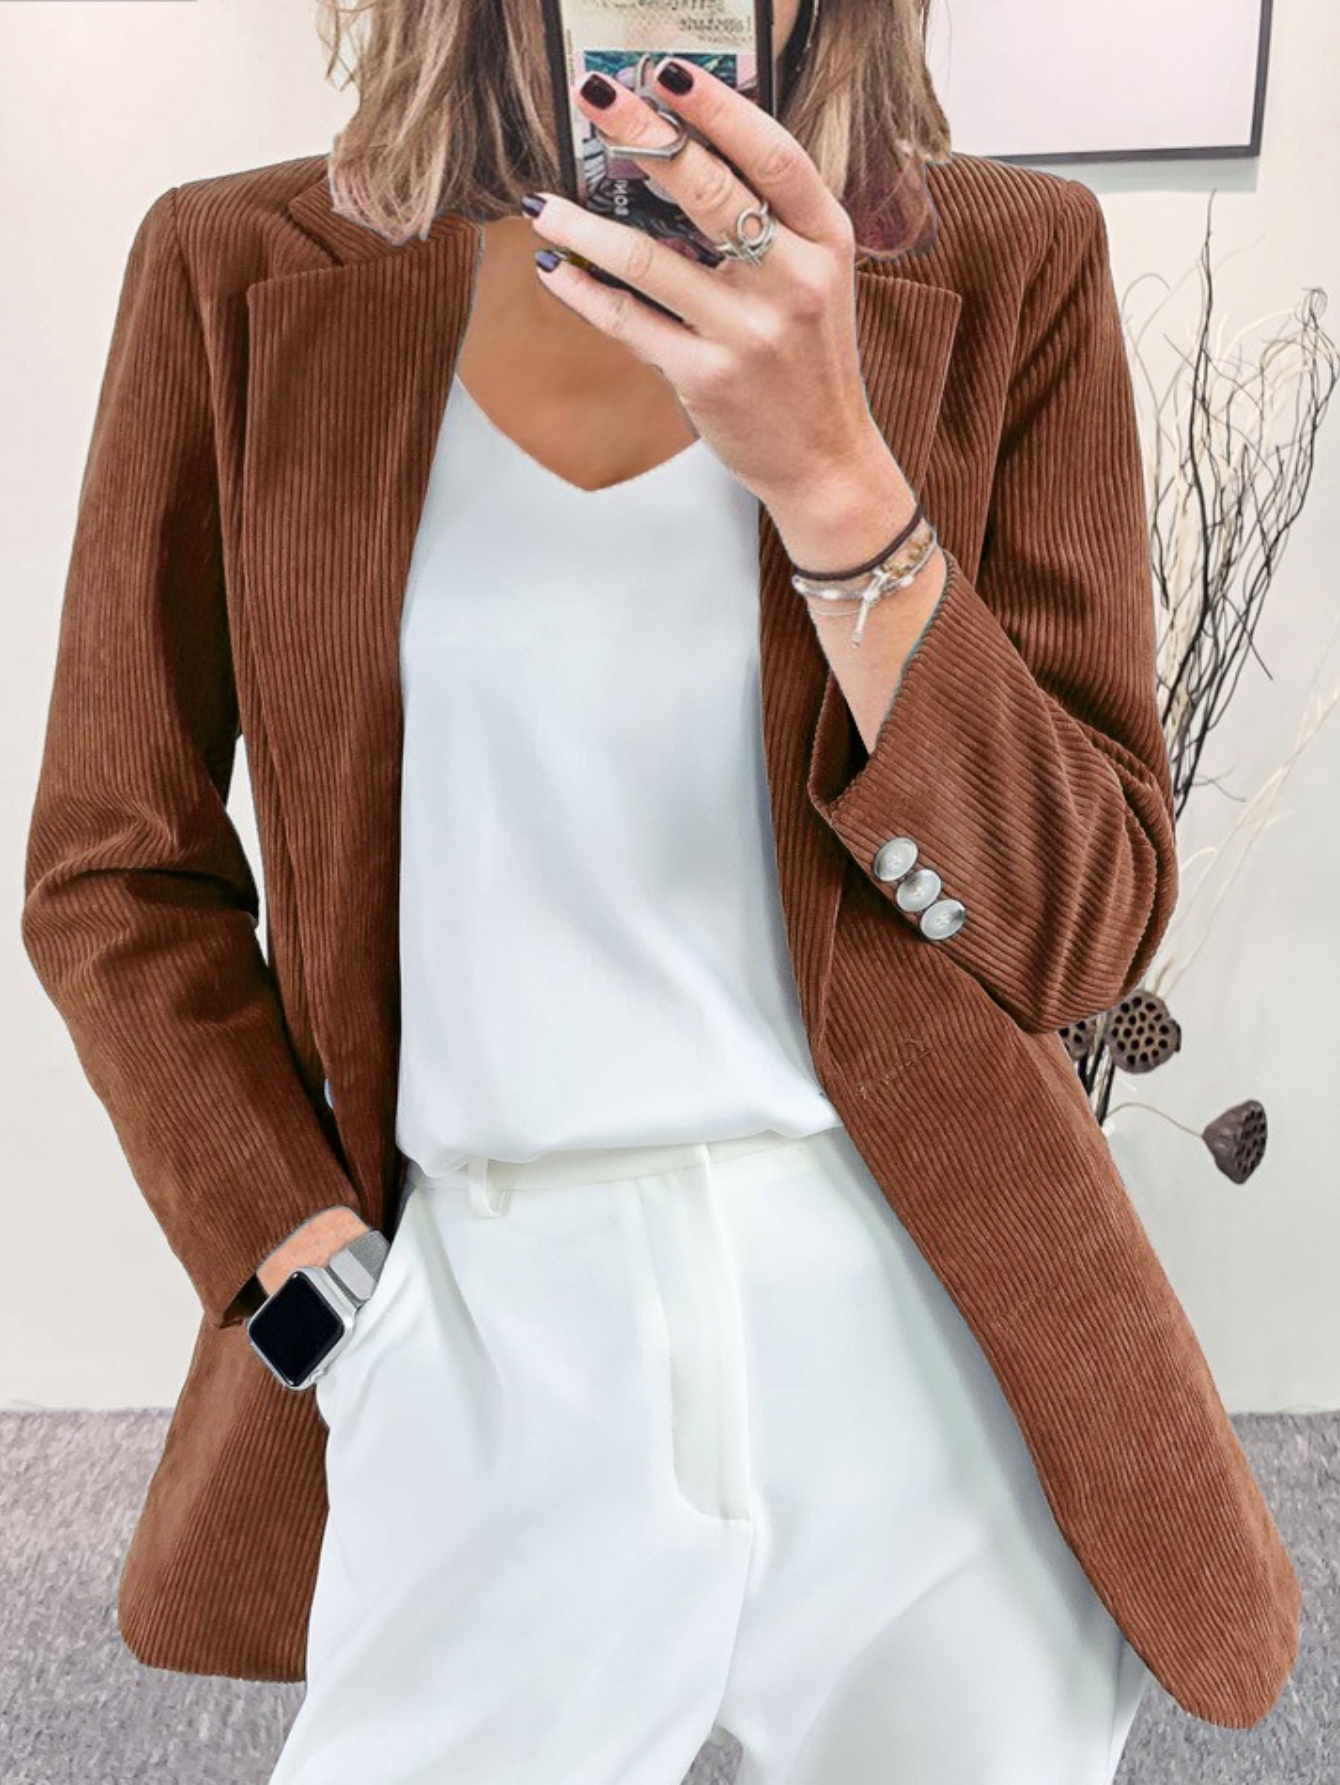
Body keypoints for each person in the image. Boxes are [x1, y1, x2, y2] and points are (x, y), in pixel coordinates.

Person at [21, 0, 1300, 1778]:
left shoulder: (1011, 263)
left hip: (917, 1321)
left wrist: (838, 479)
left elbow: (1084, 924)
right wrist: (320, 1296)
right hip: (480, 1320)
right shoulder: (237, 271)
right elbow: (113, 866)